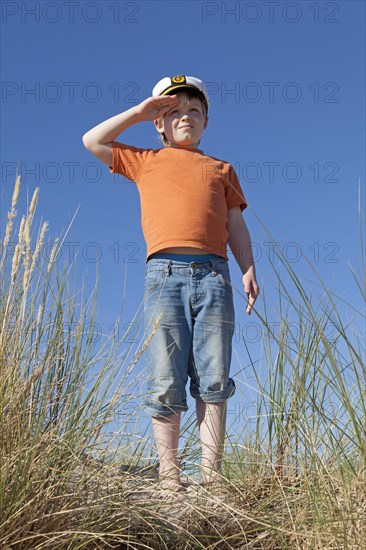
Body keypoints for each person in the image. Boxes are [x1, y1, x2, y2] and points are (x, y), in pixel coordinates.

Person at [82, 75, 260, 497]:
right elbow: (92, 140)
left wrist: (248, 267)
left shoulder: (220, 169)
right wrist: (138, 113)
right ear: (159, 124)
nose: (185, 118)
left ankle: (211, 477)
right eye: (173, 112)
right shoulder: (144, 160)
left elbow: (236, 222)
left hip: (215, 275)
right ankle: (169, 477)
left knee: (214, 377)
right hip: (163, 275)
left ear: (206, 121)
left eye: (194, 111)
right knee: (166, 378)